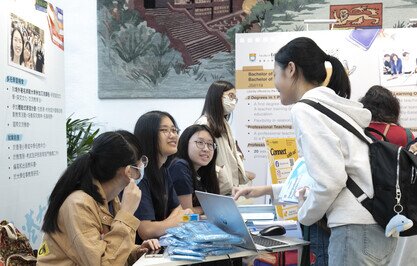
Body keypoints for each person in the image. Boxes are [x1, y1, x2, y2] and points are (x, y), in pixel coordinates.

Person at [234, 37, 397, 265]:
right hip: (377, 227)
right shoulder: (333, 106)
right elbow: (326, 175)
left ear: (290, 69)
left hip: (354, 229)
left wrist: (305, 213)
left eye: (274, 74)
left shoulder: (305, 109)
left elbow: (331, 180)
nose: (274, 83)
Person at [37, 131, 159, 266]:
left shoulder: (112, 199)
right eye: (140, 165)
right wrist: (126, 214)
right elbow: (102, 263)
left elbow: (108, 248)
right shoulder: (79, 204)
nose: (142, 169)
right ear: (129, 171)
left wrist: (137, 251)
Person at [133, 111, 191, 242]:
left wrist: (166, 224)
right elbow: (146, 230)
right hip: (139, 252)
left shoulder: (163, 169)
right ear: (148, 135)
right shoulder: (139, 174)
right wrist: (178, 221)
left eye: (174, 130)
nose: (173, 135)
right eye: (165, 130)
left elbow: (178, 208)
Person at [196, 80, 253, 195]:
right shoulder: (204, 123)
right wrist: (221, 174)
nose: (233, 102)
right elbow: (198, 158)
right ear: (217, 96)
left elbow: (229, 156)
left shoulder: (223, 123)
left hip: (226, 188)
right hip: (215, 187)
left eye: (235, 98)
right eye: (230, 96)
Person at [168, 125, 220, 214]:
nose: (206, 149)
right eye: (200, 142)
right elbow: (186, 212)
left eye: (210, 144)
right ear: (185, 142)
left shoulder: (200, 171)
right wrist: (208, 208)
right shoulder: (180, 166)